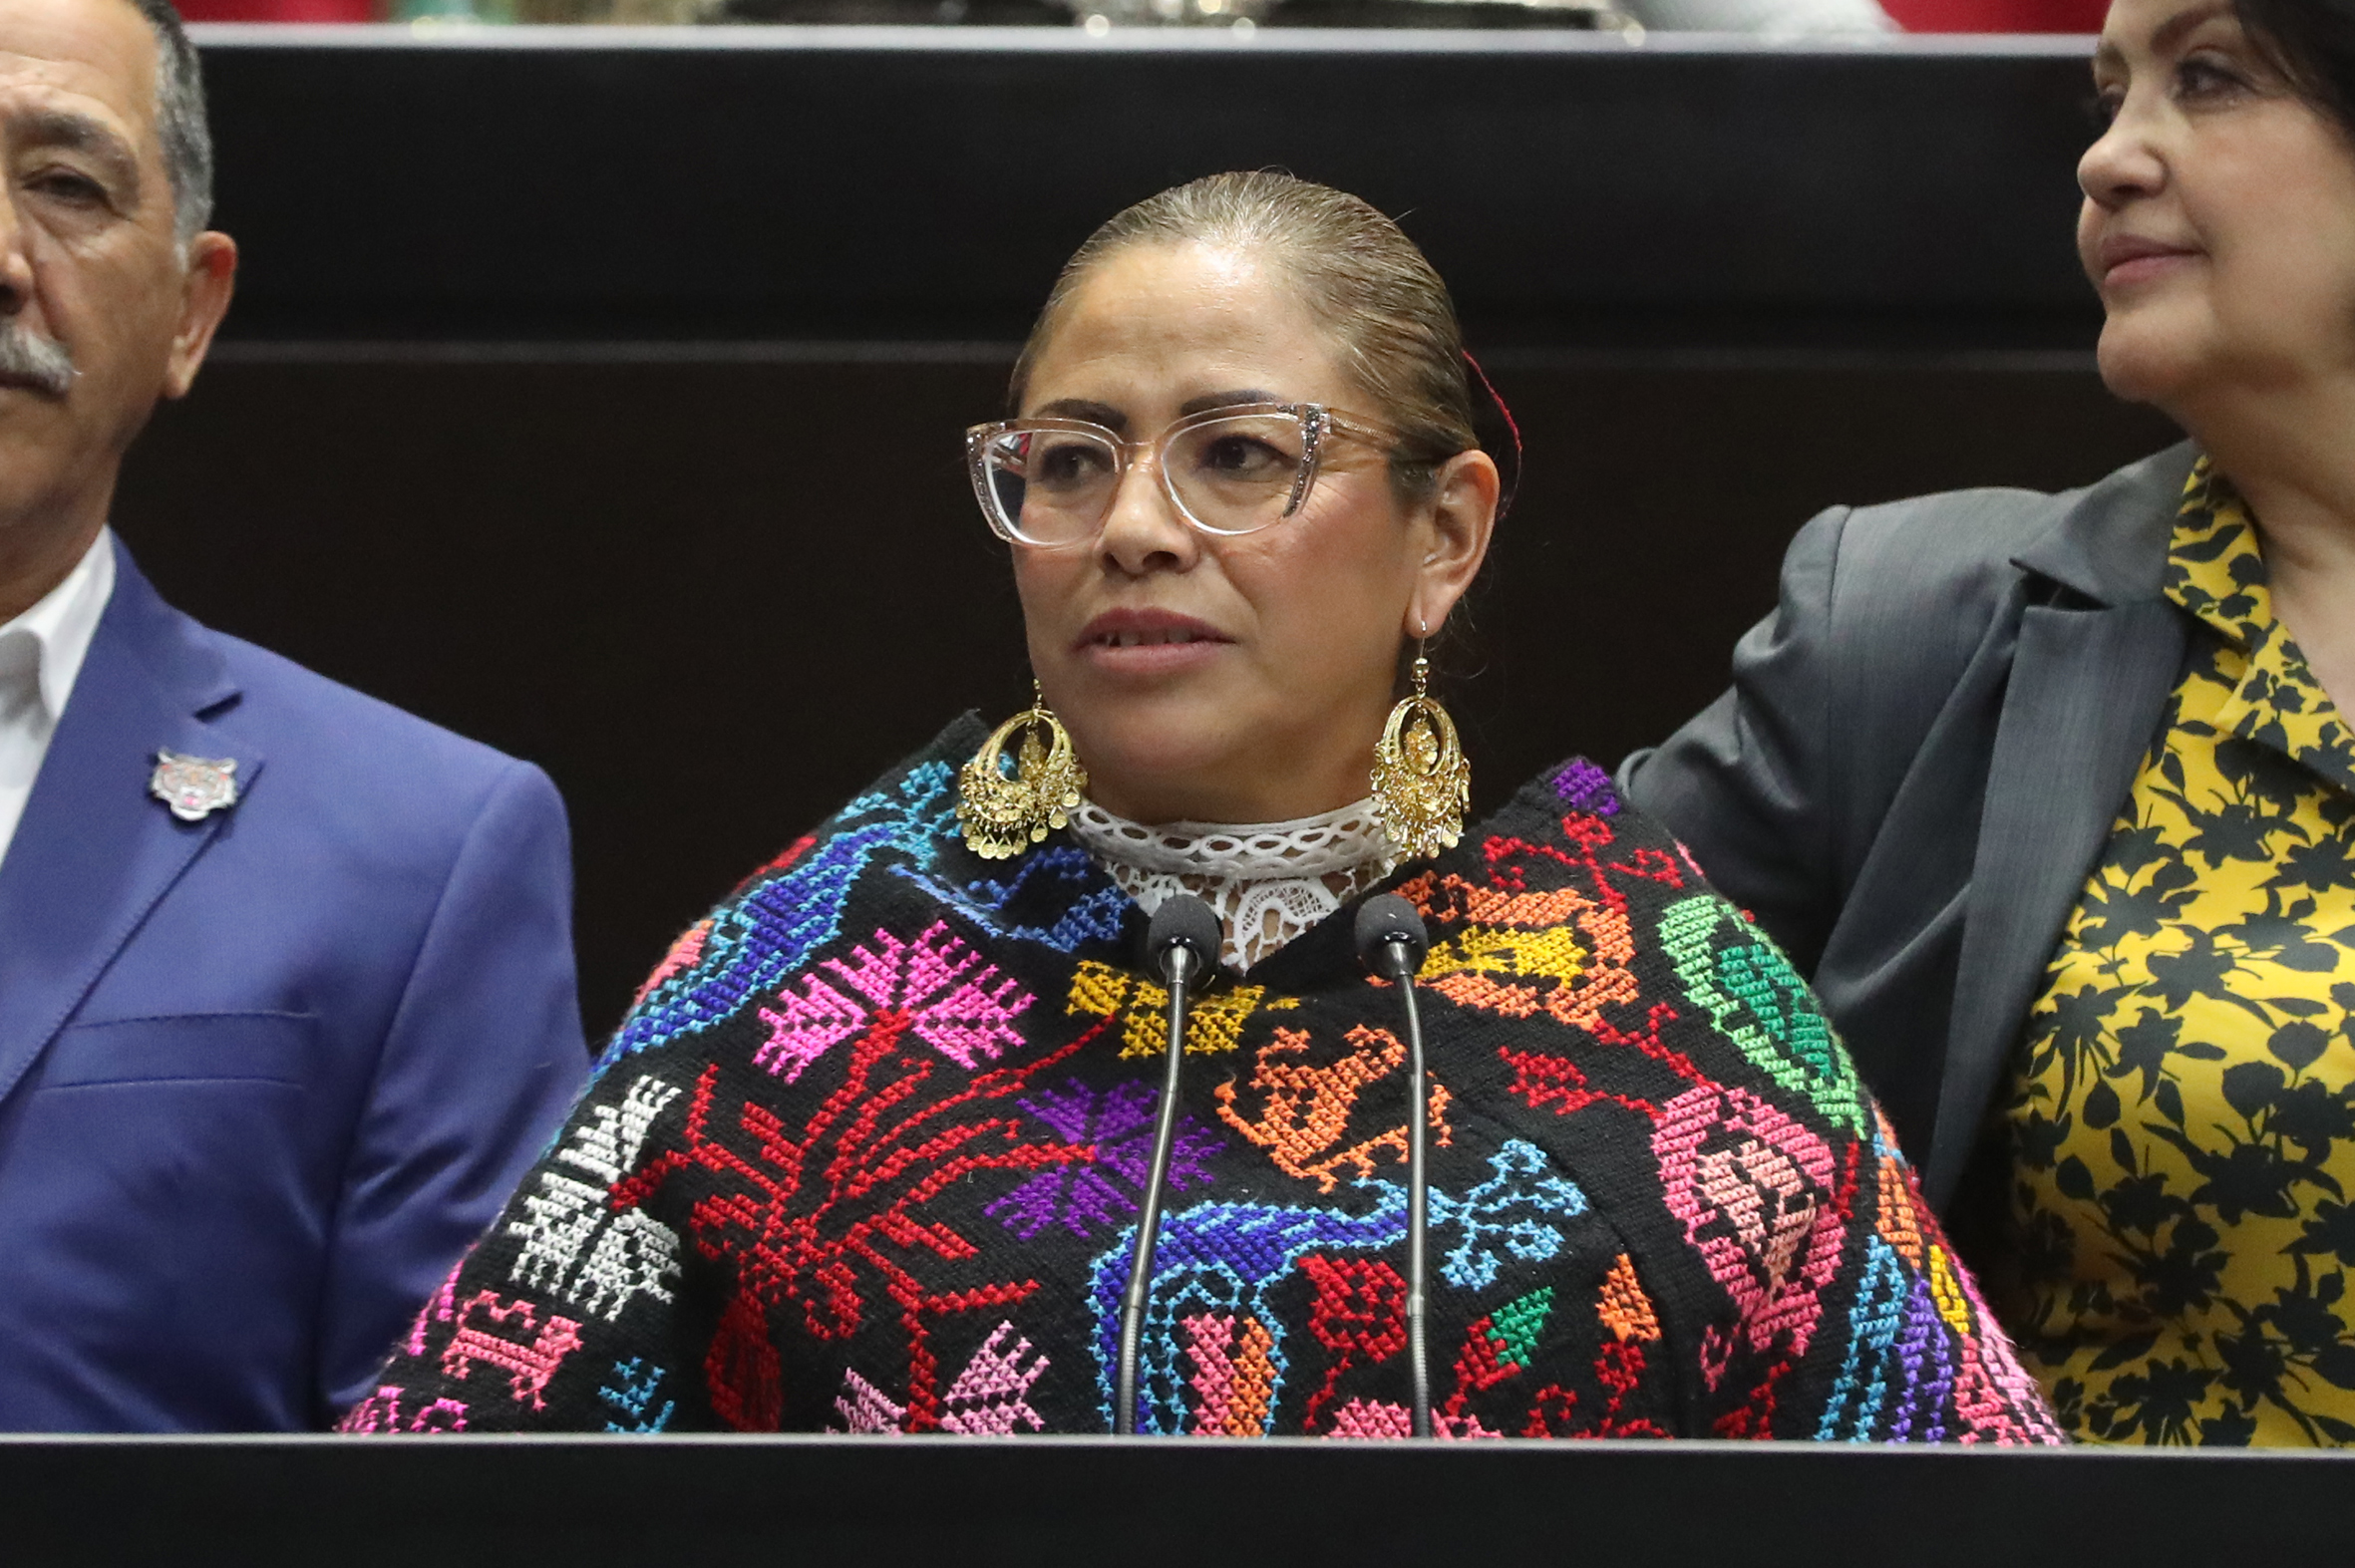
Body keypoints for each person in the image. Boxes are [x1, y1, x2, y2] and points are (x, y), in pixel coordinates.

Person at [351, 172, 2054, 1443]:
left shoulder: (1659, 994)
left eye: (1236, 454)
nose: (1133, 527)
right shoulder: (807, 979)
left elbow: (1962, 1494)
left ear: (1444, 534)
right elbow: (452, 1480)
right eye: (1068, 461)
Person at [1624, 0, 2355, 1446]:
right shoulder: (1904, 629)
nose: (2109, 158)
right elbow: (1504, 1055)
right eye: (2108, 95)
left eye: (2209, 77)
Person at [0, 0, 586, 1429]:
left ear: (190, 312)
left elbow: (467, 1484)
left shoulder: (420, 851)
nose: (1, 260)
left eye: (65, 186)